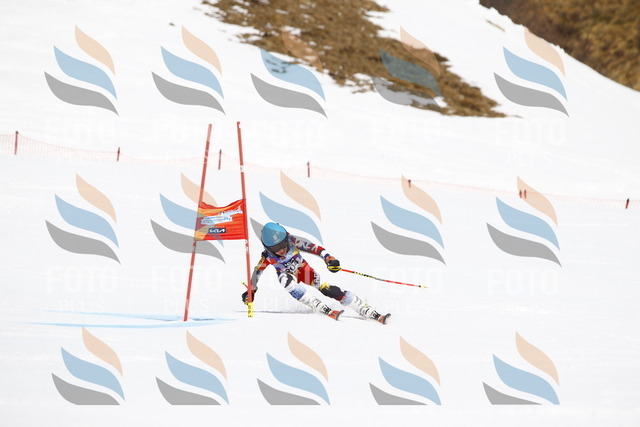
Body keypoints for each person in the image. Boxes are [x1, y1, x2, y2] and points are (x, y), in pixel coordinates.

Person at [242, 222, 389, 323]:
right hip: (287, 274)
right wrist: (251, 290)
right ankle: (315, 304)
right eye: (275, 248)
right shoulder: (267, 257)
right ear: (268, 248)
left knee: (327, 290)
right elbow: (257, 272)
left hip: (305, 271)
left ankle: (363, 307)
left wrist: (329, 259)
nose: (281, 249)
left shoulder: (294, 241)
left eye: (283, 244)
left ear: (287, 238)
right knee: (284, 280)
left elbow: (316, 249)